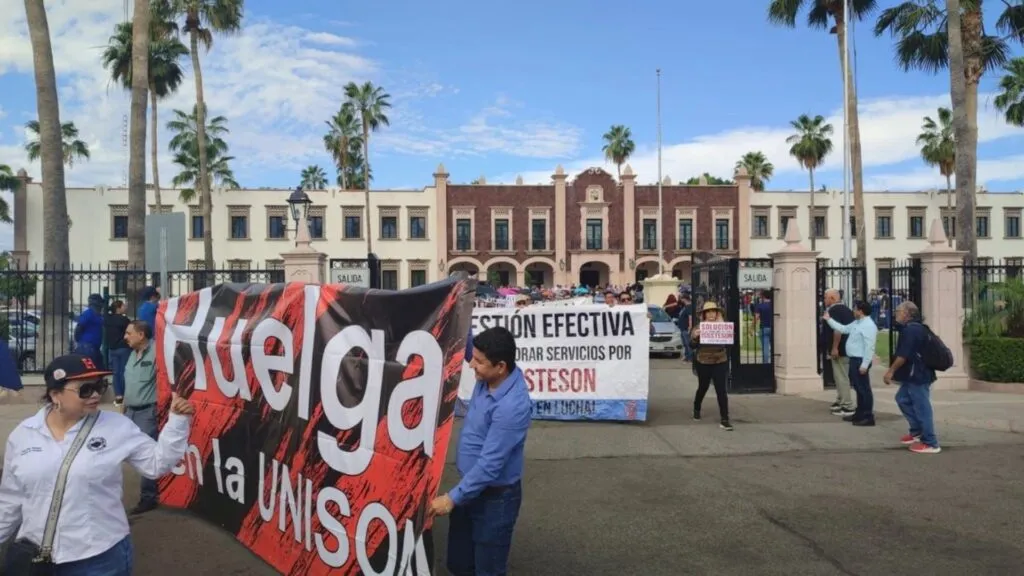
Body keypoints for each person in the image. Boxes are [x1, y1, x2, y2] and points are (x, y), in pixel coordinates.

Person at [0, 353, 194, 574]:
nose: (95, 395)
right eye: (84, 389)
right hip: (36, 557)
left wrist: (177, 421)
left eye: (99, 386)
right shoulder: (24, 434)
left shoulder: (117, 426)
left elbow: (156, 464)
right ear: (55, 395)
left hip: (98, 558)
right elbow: (11, 499)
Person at [431, 327, 532, 576]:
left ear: (500, 366)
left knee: (488, 569)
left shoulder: (512, 406)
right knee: (459, 563)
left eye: (478, 362)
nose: (471, 365)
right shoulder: (488, 376)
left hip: (495, 499)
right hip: (470, 490)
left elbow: (490, 465)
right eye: (473, 358)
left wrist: (451, 498)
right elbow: (464, 332)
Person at [883, 301, 941, 454]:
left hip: (918, 374)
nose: (896, 314)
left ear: (907, 314)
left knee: (922, 406)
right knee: (902, 398)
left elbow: (903, 355)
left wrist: (890, 371)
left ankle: (930, 442)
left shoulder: (912, 330)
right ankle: (917, 431)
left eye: (899, 311)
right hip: (914, 374)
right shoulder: (914, 329)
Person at [122, 320, 163, 514]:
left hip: (147, 412)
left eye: (129, 333)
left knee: (147, 455)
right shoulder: (132, 354)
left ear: (141, 335)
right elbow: (129, 385)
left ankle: (149, 497)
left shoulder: (157, 352)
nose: (125, 337)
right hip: (129, 411)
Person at [823, 300, 878, 426]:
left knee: (864, 389)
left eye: (855, 309)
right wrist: (829, 319)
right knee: (858, 388)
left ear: (861, 311)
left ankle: (867, 415)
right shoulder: (857, 323)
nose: (853, 311)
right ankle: (859, 413)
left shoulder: (868, 325)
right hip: (854, 359)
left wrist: (865, 364)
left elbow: (870, 347)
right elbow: (843, 329)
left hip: (860, 359)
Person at [690, 301, 733, 431]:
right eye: (708, 312)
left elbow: (730, 344)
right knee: (703, 387)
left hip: (720, 361)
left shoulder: (724, 326)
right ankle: (696, 408)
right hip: (703, 362)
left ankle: (725, 419)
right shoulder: (698, 327)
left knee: (721, 390)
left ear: (717, 313)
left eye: (713, 311)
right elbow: (691, 346)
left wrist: (722, 327)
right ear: (703, 314)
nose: (711, 314)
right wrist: (695, 337)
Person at [822, 289, 856, 416]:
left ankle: (847, 405)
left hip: (840, 349)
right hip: (845, 348)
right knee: (839, 376)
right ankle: (841, 400)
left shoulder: (835, 310)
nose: (824, 300)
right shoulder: (846, 309)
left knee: (841, 377)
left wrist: (834, 347)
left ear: (832, 298)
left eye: (826, 297)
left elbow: (837, 330)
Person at [104, 300, 132, 408]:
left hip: (112, 349)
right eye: (123, 305)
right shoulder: (124, 320)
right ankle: (125, 395)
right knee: (124, 372)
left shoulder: (108, 319)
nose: (125, 307)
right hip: (123, 348)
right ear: (119, 308)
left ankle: (118, 395)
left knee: (116, 373)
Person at [73, 293, 106, 369]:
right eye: (100, 302)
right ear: (96, 303)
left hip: (93, 347)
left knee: (98, 369)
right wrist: (78, 340)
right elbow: (79, 327)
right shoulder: (88, 313)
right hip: (87, 347)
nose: (102, 305)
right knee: (90, 369)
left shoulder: (97, 314)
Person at [753, 290, 773, 364]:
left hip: (764, 327)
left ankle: (766, 364)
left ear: (763, 296)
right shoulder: (774, 305)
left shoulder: (760, 305)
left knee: (765, 348)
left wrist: (752, 328)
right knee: (775, 347)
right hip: (773, 327)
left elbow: (756, 318)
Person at [679, 294, 694, 362]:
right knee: (685, 344)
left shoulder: (689, 307)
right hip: (682, 328)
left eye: (681, 298)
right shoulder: (685, 306)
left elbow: (690, 318)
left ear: (684, 299)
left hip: (686, 328)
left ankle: (690, 358)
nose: (680, 299)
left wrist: (689, 327)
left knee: (688, 344)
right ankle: (686, 356)